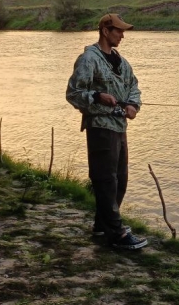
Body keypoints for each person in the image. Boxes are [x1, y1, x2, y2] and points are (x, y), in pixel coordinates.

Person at [66, 13, 147, 250]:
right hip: (100, 128)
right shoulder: (88, 59)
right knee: (105, 181)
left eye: (122, 31)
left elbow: (134, 87)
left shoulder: (122, 62)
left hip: (119, 128)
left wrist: (133, 106)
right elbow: (73, 94)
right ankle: (116, 234)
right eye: (118, 31)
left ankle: (102, 225)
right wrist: (97, 96)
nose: (122, 35)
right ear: (105, 31)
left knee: (120, 180)